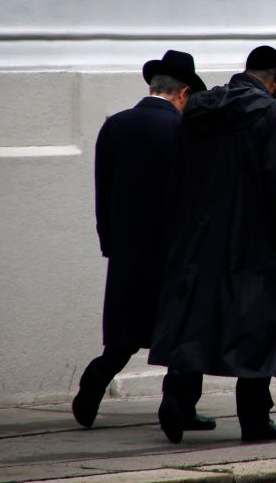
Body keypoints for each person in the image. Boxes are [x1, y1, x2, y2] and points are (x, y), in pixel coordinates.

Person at [148, 45, 276, 444]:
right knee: (260, 325)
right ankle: (254, 419)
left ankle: (175, 401)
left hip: (197, 237)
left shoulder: (199, 109)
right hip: (254, 243)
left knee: (196, 319)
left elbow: (175, 176)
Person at [72, 50, 214, 433]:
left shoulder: (115, 126)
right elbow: (190, 196)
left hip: (127, 250)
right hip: (173, 251)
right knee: (183, 332)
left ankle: (94, 381)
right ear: (183, 94)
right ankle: (177, 404)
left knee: (123, 335)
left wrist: (109, 241)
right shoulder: (182, 131)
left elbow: (103, 191)